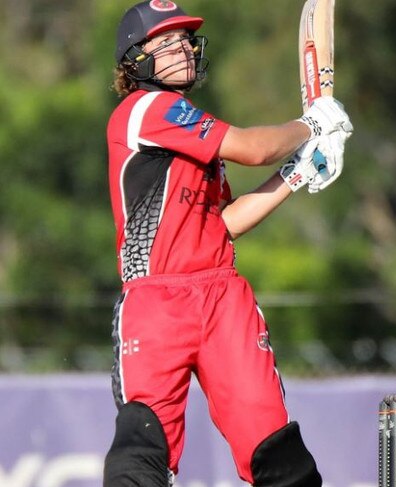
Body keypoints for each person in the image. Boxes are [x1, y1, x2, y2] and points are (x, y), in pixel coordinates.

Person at [102, 1, 352, 486]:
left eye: (185, 40)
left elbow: (224, 223)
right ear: (136, 58)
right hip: (157, 301)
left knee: (275, 452)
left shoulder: (194, 134)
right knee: (143, 447)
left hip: (221, 297)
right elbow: (255, 148)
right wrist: (313, 125)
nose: (184, 49)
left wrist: (297, 173)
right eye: (168, 42)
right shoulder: (146, 110)